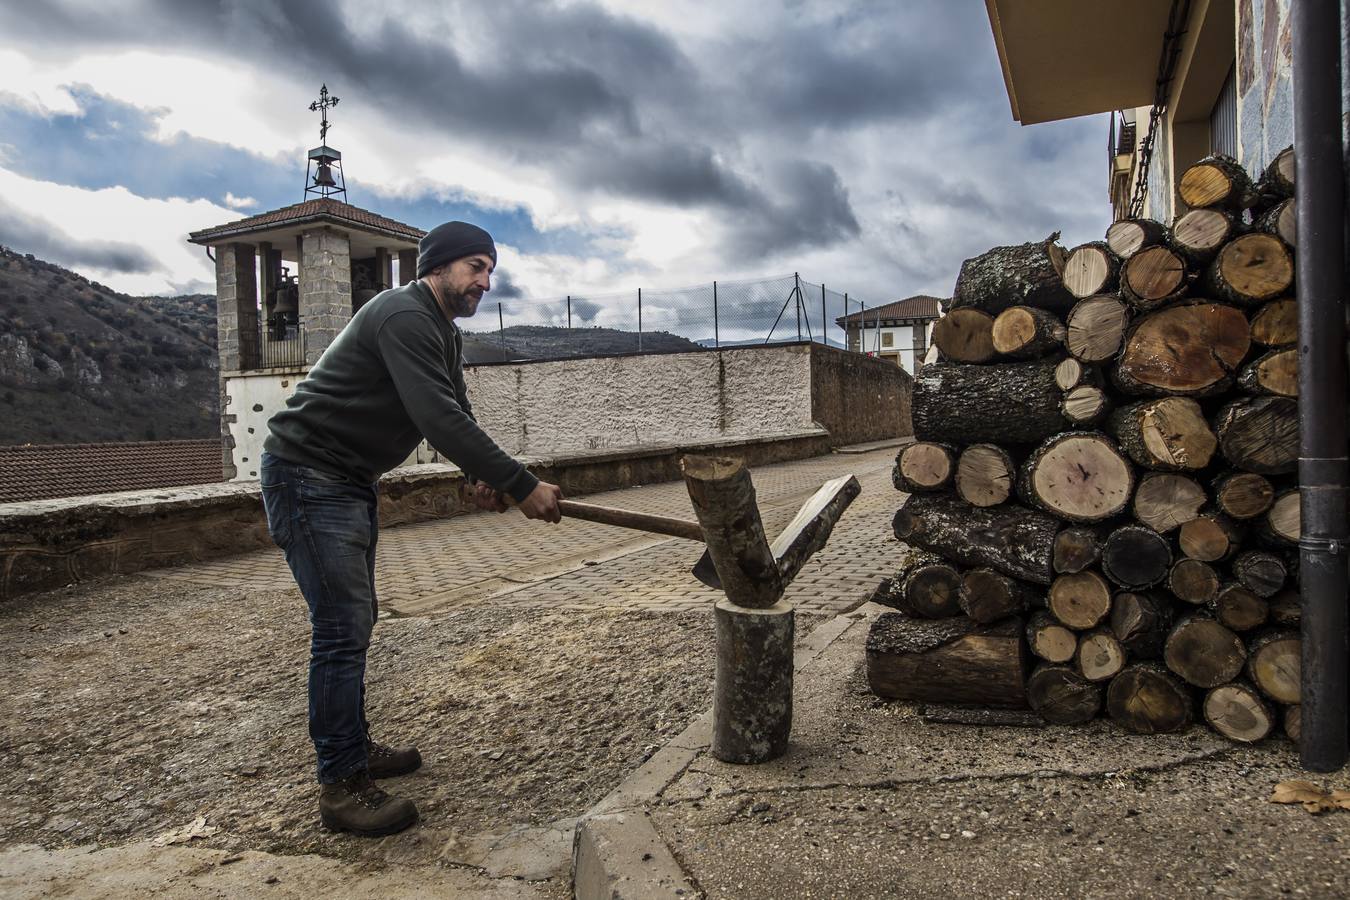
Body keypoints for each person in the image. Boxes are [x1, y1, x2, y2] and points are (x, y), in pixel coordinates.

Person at [260, 221, 563, 837]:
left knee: (355, 621)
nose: (485, 280)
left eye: (490, 270)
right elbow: (433, 414)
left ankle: (353, 749)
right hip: (308, 475)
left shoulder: (440, 333)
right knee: (341, 630)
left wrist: (486, 478)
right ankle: (342, 786)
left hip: (346, 480)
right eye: (475, 266)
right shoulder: (402, 314)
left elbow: (454, 412)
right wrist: (524, 483)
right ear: (439, 266)